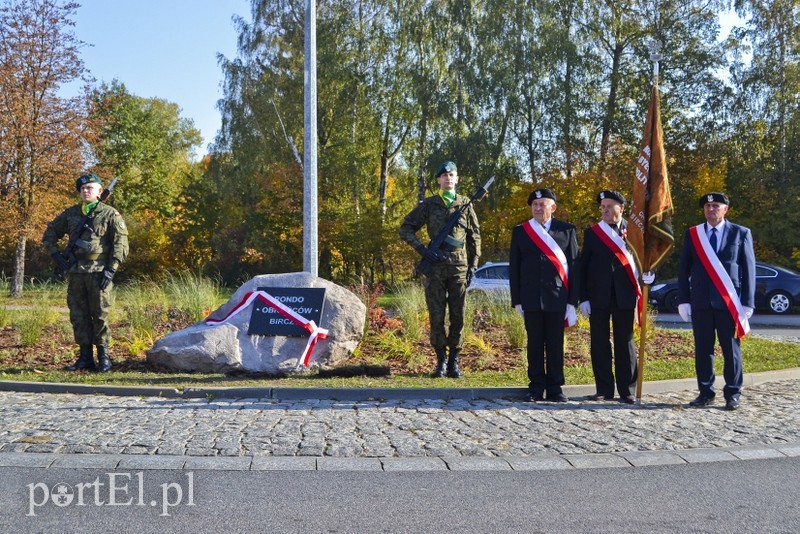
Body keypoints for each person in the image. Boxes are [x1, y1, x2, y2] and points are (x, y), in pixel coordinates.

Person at [399, 161, 481, 378]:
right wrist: (422, 250)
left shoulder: (466, 205)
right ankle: (441, 362)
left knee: (458, 315)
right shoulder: (429, 204)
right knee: (436, 316)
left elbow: (475, 237)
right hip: (435, 268)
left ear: (457, 179)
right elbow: (406, 228)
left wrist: (473, 265)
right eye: (443, 175)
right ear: (438, 180)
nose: (447, 178)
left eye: (451, 174)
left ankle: (455, 361)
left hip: (459, 268)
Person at [42, 174, 129, 372]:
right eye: (83, 188)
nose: (85, 190)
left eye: (90, 187)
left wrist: (111, 269)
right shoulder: (71, 214)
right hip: (75, 272)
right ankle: (85, 358)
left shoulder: (109, 214)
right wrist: (56, 256)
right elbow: (49, 233)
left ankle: (104, 357)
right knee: (78, 316)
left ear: (100, 192)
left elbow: (120, 244)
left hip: (99, 273)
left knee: (100, 314)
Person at [677, 192, 755, 411]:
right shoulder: (693, 234)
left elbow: (749, 270)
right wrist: (684, 300)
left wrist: (747, 302)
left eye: (715, 206)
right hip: (700, 302)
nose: (710, 209)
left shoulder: (741, 233)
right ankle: (705, 392)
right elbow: (684, 269)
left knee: (731, 350)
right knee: (703, 350)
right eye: (707, 206)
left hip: (728, 304)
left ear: (725, 209)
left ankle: (733, 393)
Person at [509, 188, 578, 402]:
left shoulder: (567, 231)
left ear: (553, 207)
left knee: (556, 344)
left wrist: (572, 301)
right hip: (530, 298)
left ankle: (555, 387)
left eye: (542, 204)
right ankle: (536, 386)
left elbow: (574, 266)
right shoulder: (521, 231)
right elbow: (515, 268)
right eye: (534, 205)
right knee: (535, 344)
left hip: (558, 298)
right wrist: (517, 300)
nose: (538, 208)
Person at [578, 190, 644, 404]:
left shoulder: (634, 231)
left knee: (625, 342)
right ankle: (604, 388)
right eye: (603, 207)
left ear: (621, 208)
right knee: (599, 342)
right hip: (598, 297)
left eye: (609, 206)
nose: (604, 210)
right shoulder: (592, 233)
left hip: (625, 295)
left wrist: (648, 276)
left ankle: (627, 389)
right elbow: (583, 267)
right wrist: (583, 297)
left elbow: (645, 259)